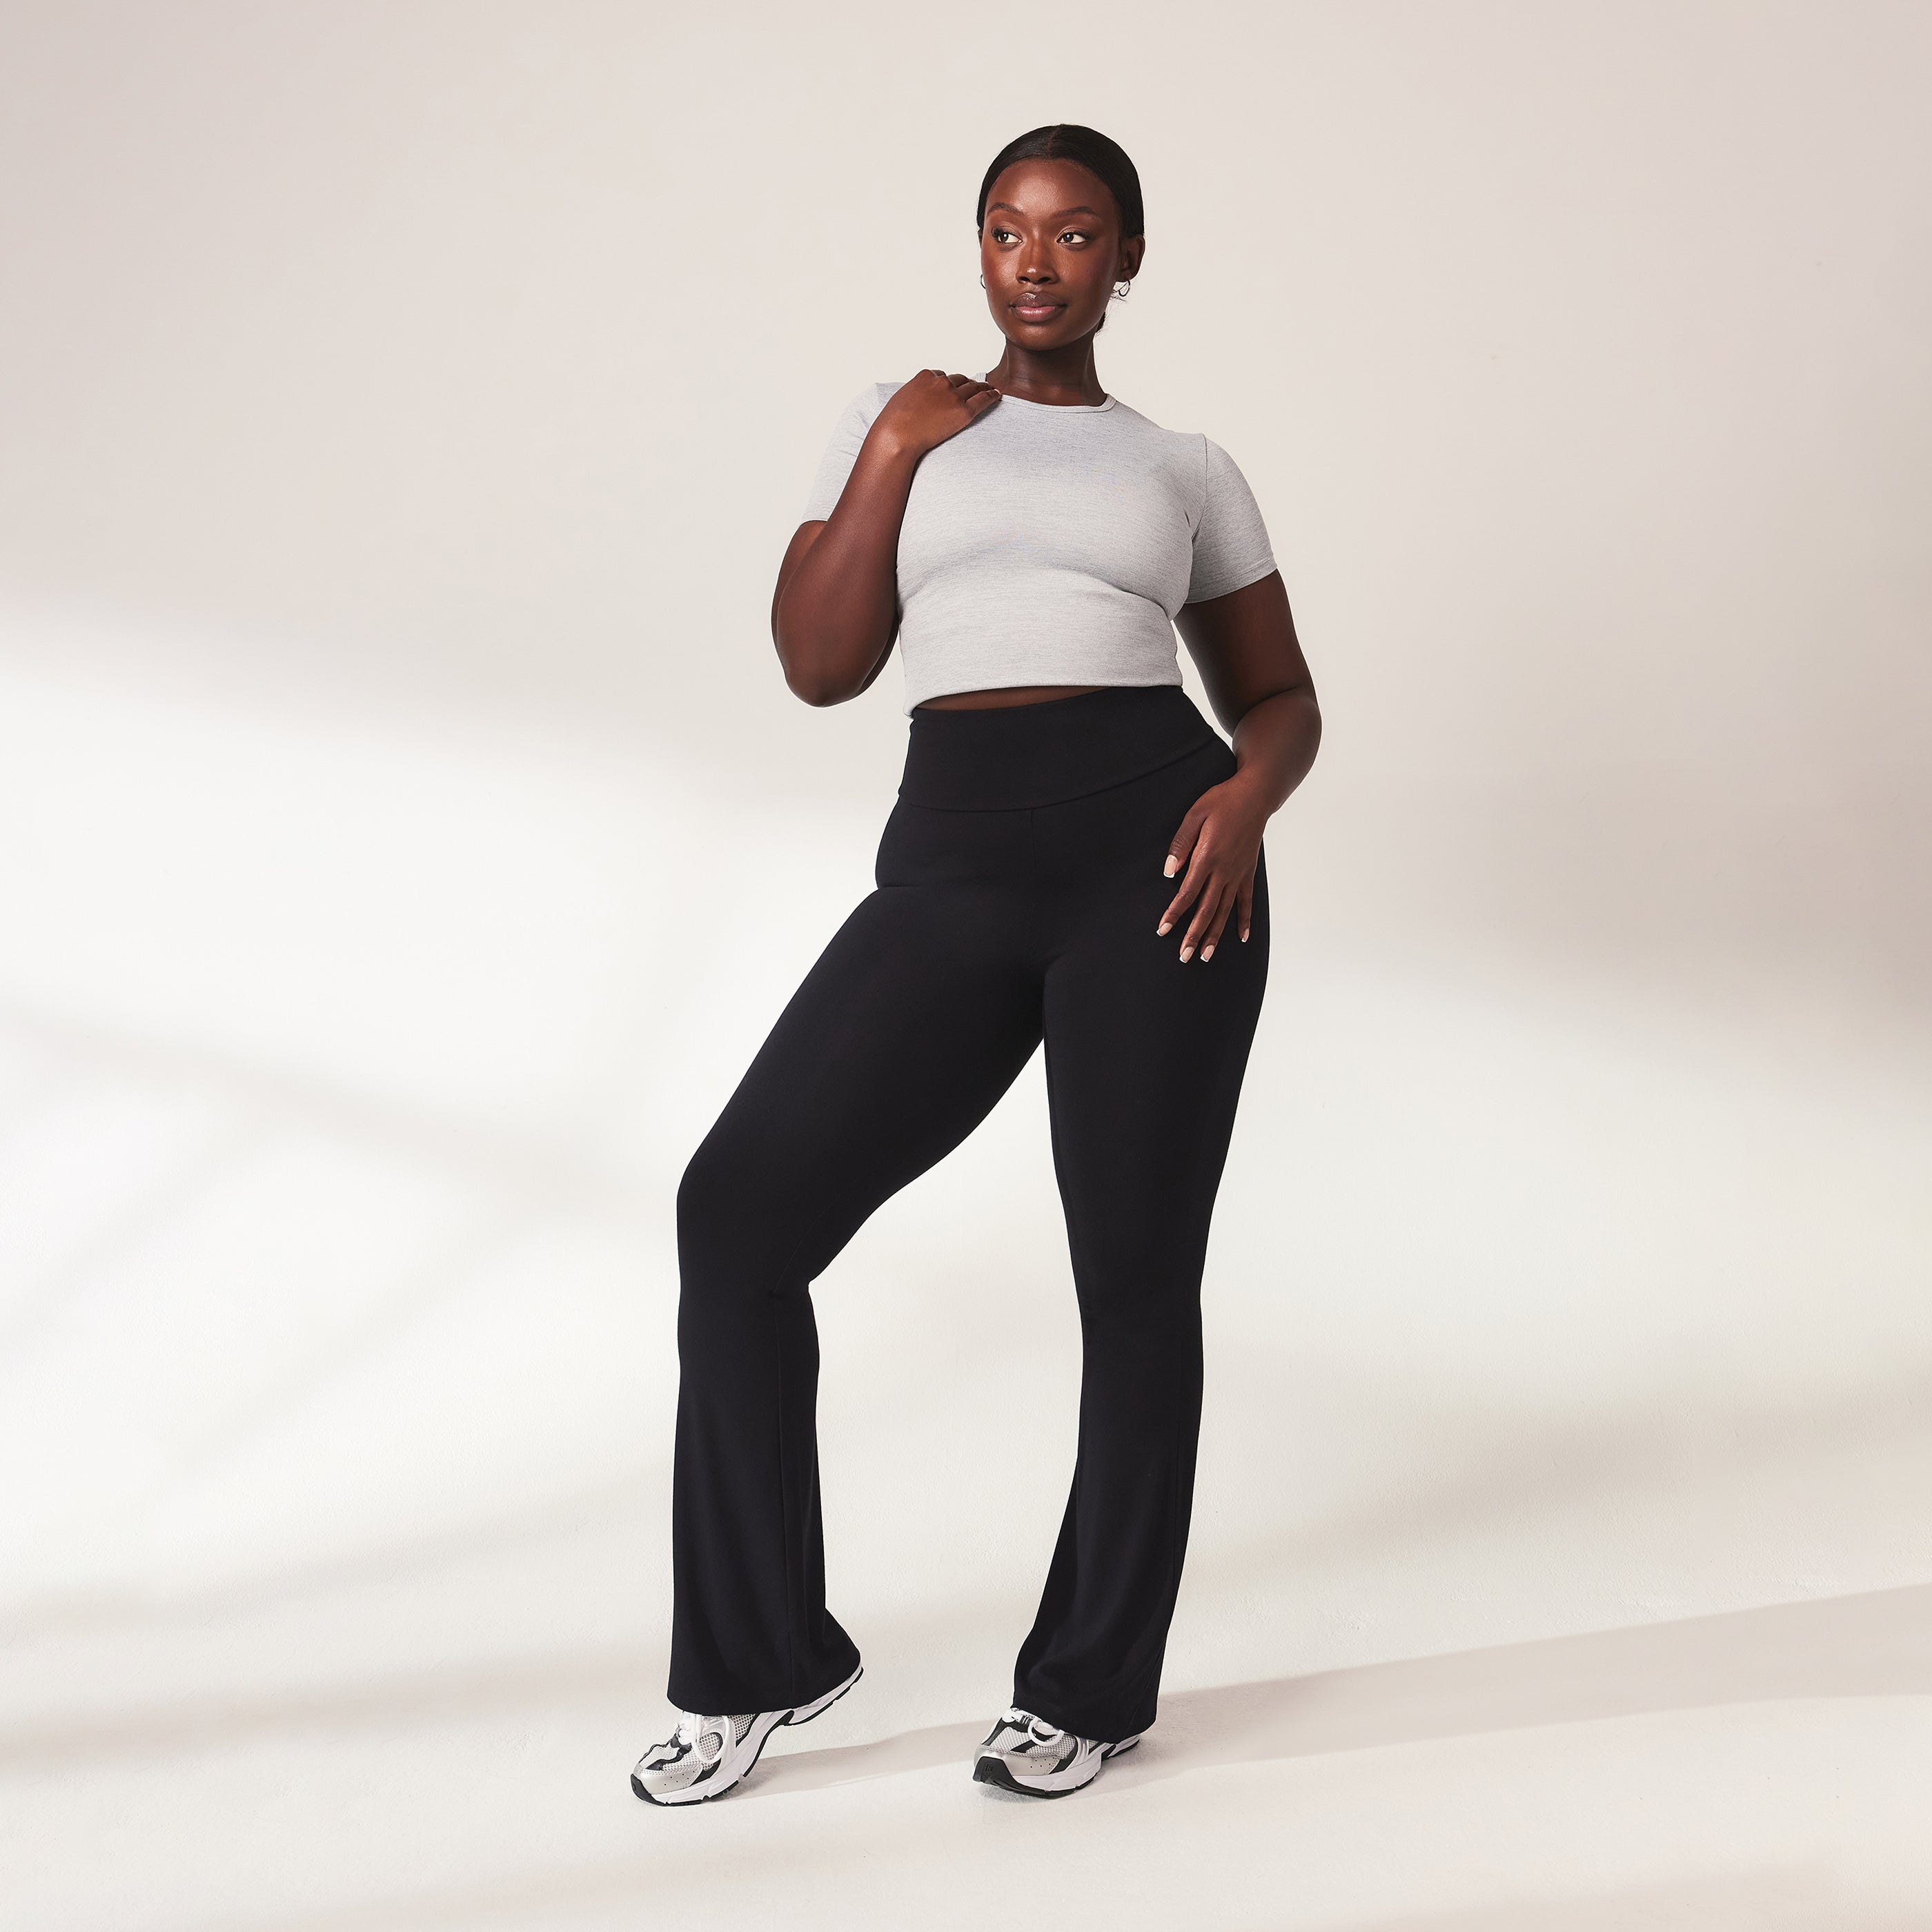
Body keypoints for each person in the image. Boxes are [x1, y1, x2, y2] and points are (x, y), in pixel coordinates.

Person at [631, 122, 1321, 1806]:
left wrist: (1244, 797)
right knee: (735, 1213)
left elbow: (1278, 695)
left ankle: (1087, 1685)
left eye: (1075, 233)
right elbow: (817, 662)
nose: (1036, 261)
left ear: (1124, 258)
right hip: (950, 863)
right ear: (978, 247)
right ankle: (758, 1657)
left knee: (1132, 1280)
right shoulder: (903, 423)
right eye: (1007, 229)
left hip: (1155, 868)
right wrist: (887, 451)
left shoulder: (1182, 468)